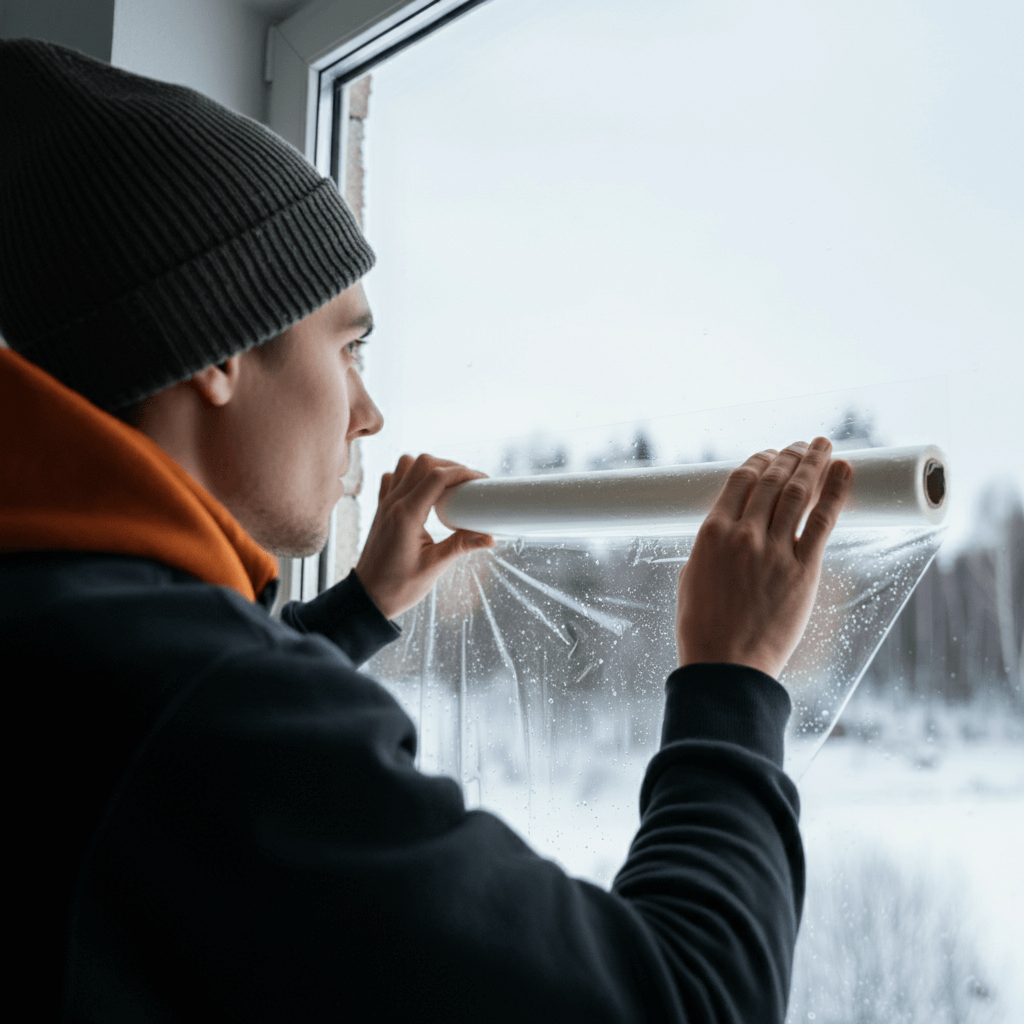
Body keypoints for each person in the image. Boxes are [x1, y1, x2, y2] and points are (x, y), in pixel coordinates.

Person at [0, 39, 852, 1023]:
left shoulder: (59, 614)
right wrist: (732, 679)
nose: (367, 413)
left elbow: (147, 758)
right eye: (348, 347)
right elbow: (690, 1001)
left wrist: (358, 611)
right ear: (222, 348)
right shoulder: (201, 707)